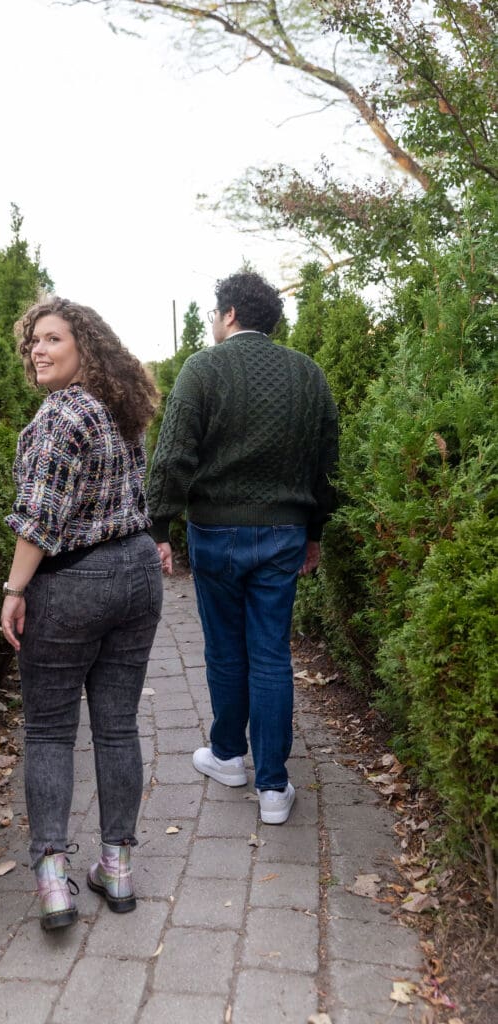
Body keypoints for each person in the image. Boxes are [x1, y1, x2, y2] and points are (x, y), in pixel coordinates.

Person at [147, 271, 338, 825]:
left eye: (215, 312)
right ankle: (273, 788)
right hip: (284, 533)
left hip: (215, 534)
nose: (213, 321)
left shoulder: (203, 369)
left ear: (229, 314)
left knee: (226, 650)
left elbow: (172, 455)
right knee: (272, 654)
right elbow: (326, 461)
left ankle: (228, 756)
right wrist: (315, 531)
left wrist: (159, 528)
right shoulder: (308, 374)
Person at [0, 297, 162, 931]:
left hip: (73, 582)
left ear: (84, 347)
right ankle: (116, 868)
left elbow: (38, 521)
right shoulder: (120, 409)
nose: (38, 351)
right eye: (33, 341)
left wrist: (14, 590)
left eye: (52, 339)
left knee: (48, 731)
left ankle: (52, 884)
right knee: (117, 727)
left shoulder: (61, 416)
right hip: (138, 573)